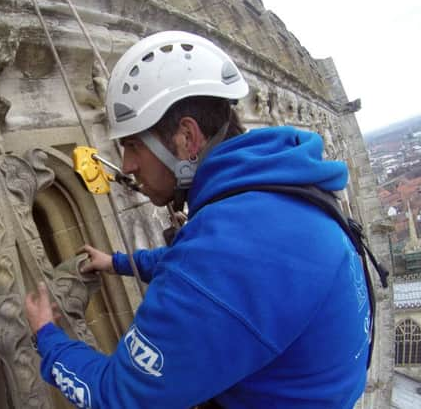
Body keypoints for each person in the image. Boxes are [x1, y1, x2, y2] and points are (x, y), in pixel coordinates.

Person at [25, 31, 369, 408]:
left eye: (133, 145)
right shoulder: (275, 191)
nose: (126, 166)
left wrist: (47, 335)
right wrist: (118, 263)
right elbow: (198, 265)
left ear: (187, 138)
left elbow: (116, 396)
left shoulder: (226, 255)